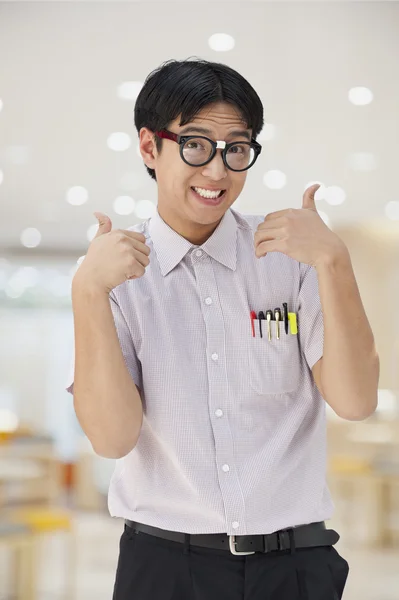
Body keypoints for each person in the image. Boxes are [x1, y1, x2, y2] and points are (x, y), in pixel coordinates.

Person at [67, 58, 379, 600]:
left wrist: (335, 262)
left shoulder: (290, 256)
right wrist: (88, 293)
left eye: (237, 148)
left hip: (294, 565)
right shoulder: (114, 273)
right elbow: (112, 438)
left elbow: (354, 401)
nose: (217, 171)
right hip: (162, 567)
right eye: (195, 145)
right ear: (149, 147)